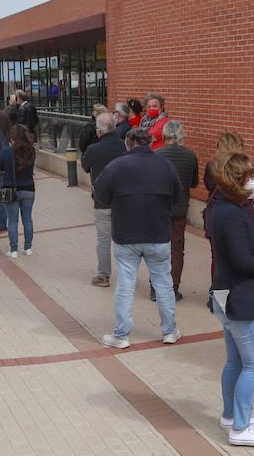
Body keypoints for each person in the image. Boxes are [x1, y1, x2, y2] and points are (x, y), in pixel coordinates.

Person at [206, 153, 254, 447]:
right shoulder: (233, 214)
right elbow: (242, 261)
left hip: (224, 294)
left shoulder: (217, 207)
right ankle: (241, 428)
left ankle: (231, 415)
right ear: (238, 181)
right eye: (249, 176)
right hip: (240, 298)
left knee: (235, 361)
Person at [92, 127, 182, 348]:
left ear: (128, 144)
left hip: (126, 235)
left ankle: (121, 335)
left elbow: (100, 196)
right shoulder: (165, 165)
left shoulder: (116, 166)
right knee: (163, 284)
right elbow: (178, 196)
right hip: (158, 234)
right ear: (150, 142)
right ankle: (170, 331)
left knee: (125, 286)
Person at [155, 120, 198, 300]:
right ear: (181, 135)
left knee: (157, 248)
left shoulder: (157, 155)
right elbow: (194, 183)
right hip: (180, 208)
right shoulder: (190, 156)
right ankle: (173, 287)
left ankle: (156, 288)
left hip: (159, 208)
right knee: (176, 249)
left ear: (165, 135)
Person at [82, 111, 125, 287]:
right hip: (123, 201)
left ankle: (104, 275)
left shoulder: (93, 149)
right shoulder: (124, 146)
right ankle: (126, 275)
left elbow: (85, 167)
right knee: (124, 240)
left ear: (99, 131)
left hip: (102, 201)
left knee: (103, 241)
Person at [0, 128, 37, 258]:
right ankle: (28, 247)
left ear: (13, 138)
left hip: (11, 189)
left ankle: (14, 249)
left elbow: (0, 166)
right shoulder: (31, 151)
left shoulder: (6, 152)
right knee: (27, 219)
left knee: (13, 221)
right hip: (28, 188)